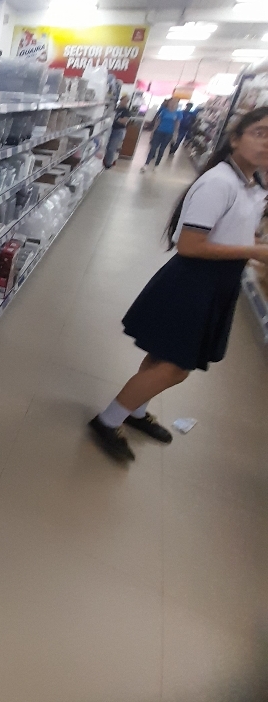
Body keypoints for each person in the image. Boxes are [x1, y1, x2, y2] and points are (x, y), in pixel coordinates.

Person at [89, 106, 268, 462]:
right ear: (235, 138)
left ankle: (135, 411)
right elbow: (189, 245)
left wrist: (249, 246)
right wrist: (254, 251)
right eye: (260, 133)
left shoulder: (253, 184)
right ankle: (107, 421)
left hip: (217, 283)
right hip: (194, 283)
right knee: (176, 368)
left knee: (161, 356)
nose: (267, 143)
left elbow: (230, 231)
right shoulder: (219, 182)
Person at [140, 95, 181, 171]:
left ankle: (156, 165)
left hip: (168, 133)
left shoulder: (178, 113)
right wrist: (153, 131)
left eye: (174, 103)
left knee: (162, 150)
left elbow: (177, 125)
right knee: (153, 148)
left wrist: (175, 135)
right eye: (171, 102)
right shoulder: (164, 111)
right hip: (159, 131)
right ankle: (146, 164)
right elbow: (158, 121)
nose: (172, 104)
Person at [104, 97, 132, 168]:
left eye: (126, 101)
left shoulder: (126, 111)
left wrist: (115, 118)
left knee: (111, 148)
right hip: (111, 129)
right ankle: (106, 161)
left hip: (119, 131)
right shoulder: (117, 109)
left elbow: (124, 121)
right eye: (123, 100)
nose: (124, 102)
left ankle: (108, 164)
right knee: (107, 146)